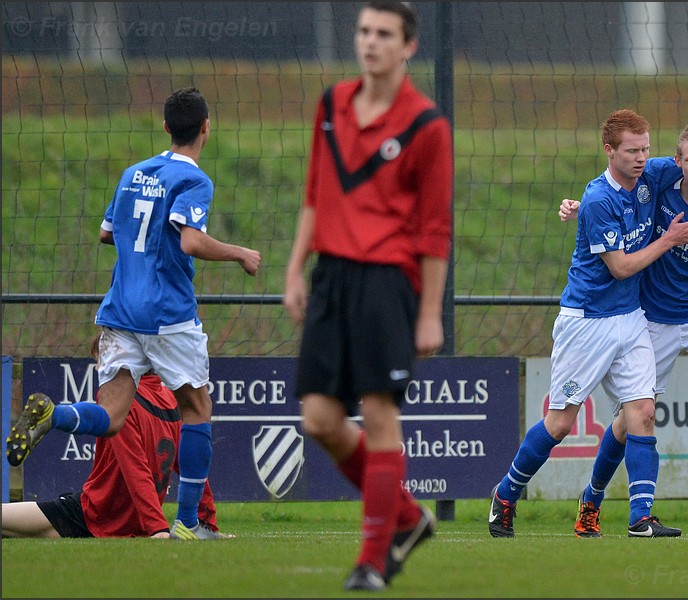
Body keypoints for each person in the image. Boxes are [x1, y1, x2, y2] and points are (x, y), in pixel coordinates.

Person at [5, 87, 260, 541]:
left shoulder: (132, 174)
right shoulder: (195, 180)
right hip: (167, 314)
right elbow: (190, 241)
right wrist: (240, 252)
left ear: (165, 127)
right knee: (197, 409)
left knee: (114, 415)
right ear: (206, 128)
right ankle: (189, 524)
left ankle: (56, 415)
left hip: (120, 310)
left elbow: (107, 234)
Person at [489, 109, 688, 540]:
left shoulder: (651, 174)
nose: (642, 158)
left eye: (646, 149)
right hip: (587, 323)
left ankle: (641, 517)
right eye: (632, 151)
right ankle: (506, 493)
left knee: (643, 412)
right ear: (609, 151)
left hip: (631, 319)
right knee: (560, 424)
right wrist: (668, 239)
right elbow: (620, 267)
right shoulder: (598, 200)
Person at [282, 2, 452, 591]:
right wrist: (296, 269)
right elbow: (313, 193)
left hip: (387, 283)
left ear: (408, 47)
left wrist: (430, 314)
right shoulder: (330, 106)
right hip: (331, 276)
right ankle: (407, 518)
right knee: (319, 419)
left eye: (383, 34)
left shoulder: (427, 126)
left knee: (380, 415)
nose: (369, 42)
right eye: (363, 32)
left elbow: (435, 231)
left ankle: (371, 563)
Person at [559, 121, 688, 539]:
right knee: (632, 418)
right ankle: (592, 501)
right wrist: (581, 208)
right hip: (653, 317)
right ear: (677, 162)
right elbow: (614, 193)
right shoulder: (656, 181)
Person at [3, 336, 222, 539]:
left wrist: (158, 528)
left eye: (101, 361)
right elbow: (190, 467)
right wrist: (207, 523)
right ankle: (57, 415)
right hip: (116, 520)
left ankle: (57, 415)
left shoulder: (120, 403)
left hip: (96, 513)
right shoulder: (170, 398)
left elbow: (135, 469)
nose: (99, 368)